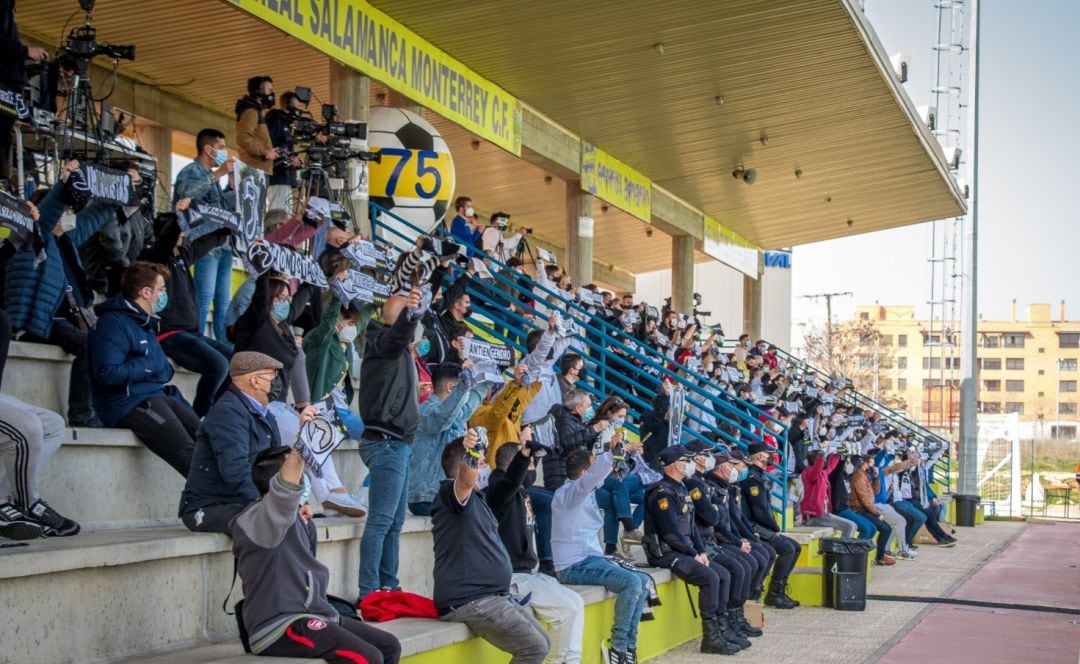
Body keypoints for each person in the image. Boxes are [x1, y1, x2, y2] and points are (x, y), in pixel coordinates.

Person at [232, 446, 402, 663]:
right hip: (280, 625)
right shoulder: (259, 518)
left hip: (313, 614)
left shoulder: (291, 517)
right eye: (300, 472)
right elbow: (284, 493)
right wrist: (303, 443)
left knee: (388, 646)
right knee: (366, 658)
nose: (304, 479)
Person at [6, 163, 114, 426]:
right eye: (64, 210)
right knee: (91, 345)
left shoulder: (62, 240)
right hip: (38, 321)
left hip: (61, 320)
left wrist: (118, 200)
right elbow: (48, 211)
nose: (69, 214)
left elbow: (91, 220)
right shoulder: (34, 235)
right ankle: (81, 413)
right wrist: (65, 186)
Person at [431, 431, 551, 664]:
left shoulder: (479, 498)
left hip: (492, 596)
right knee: (534, 648)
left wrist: (525, 453)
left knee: (543, 642)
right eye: (481, 463)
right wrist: (473, 453)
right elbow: (465, 479)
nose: (483, 468)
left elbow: (510, 482)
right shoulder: (449, 492)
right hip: (470, 599)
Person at [179, 352, 316, 533]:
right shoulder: (227, 413)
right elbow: (235, 471)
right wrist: (277, 506)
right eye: (273, 377)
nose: (278, 382)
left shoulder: (265, 415)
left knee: (305, 526)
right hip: (211, 505)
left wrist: (298, 503)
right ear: (255, 381)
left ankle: (303, 563)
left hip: (245, 501)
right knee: (276, 524)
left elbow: (279, 465)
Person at [88, 261, 200, 476]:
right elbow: (107, 374)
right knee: (191, 456)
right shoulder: (113, 323)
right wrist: (148, 366)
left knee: (209, 442)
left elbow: (166, 372)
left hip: (156, 396)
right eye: (161, 290)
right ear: (146, 292)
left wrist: (153, 367)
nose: (165, 295)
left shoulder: (145, 323)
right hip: (127, 403)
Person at [487, 434, 586, 664]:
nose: (533, 468)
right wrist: (523, 457)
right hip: (511, 577)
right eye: (531, 464)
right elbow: (508, 481)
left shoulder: (523, 493)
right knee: (565, 611)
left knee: (576, 602)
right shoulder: (497, 493)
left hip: (528, 573)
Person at [552, 446, 651, 664]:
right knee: (632, 582)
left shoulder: (584, 493)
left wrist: (618, 458)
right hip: (573, 566)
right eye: (594, 463)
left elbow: (606, 480)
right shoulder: (570, 493)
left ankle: (629, 647)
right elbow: (593, 478)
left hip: (590, 560)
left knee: (644, 581)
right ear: (584, 473)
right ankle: (616, 648)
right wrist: (609, 455)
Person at [643, 445, 745, 656]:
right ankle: (711, 638)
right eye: (686, 460)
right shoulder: (662, 492)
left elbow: (691, 528)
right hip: (665, 552)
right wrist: (693, 554)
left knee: (724, 574)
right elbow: (670, 532)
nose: (691, 464)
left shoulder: (680, 488)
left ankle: (722, 630)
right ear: (675, 464)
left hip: (685, 549)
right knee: (710, 577)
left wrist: (701, 551)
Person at [355, 288, 423, 600]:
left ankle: (388, 584)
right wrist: (409, 314)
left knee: (395, 522)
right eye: (408, 319)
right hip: (385, 443)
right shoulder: (382, 343)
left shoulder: (401, 350)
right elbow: (397, 336)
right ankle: (369, 590)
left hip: (400, 444)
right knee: (381, 520)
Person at [142, 203, 234, 417]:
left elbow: (202, 245)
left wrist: (227, 229)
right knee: (218, 365)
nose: (183, 233)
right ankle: (199, 415)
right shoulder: (155, 258)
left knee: (236, 361)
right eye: (179, 230)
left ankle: (215, 413)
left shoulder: (181, 258)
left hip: (191, 332)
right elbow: (166, 241)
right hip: (170, 334)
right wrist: (179, 217)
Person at [172, 128, 237, 342]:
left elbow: (220, 208)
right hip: (203, 244)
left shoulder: (214, 179)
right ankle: (196, 340)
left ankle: (223, 347)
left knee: (222, 303)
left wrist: (233, 188)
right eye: (220, 148)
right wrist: (216, 175)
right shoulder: (191, 171)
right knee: (203, 296)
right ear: (207, 149)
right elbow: (187, 198)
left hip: (223, 244)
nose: (223, 153)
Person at [407, 361, 490, 516]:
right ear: (451, 388)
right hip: (425, 498)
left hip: (445, 494)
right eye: (461, 388)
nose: (465, 392)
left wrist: (488, 380)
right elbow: (443, 416)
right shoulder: (425, 412)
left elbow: (466, 408)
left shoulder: (452, 415)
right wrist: (464, 387)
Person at [232, 270, 315, 409]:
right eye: (279, 298)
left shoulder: (285, 328)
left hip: (276, 407)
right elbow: (261, 298)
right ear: (269, 296)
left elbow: (305, 293)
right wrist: (263, 268)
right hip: (248, 404)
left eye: (287, 299)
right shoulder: (256, 322)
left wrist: (318, 273)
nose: (284, 303)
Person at [741, 443, 799, 609]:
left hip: (761, 526)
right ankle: (769, 593)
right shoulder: (751, 478)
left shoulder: (758, 475)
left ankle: (777, 591)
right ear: (760, 456)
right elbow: (759, 511)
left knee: (794, 547)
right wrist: (775, 529)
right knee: (787, 548)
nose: (771, 458)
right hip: (753, 527)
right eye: (768, 454)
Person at [545, 389, 605, 492]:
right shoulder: (563, 421)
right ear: (578, 408)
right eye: (588, 406)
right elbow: (565, 444)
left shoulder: (574, 421)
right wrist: (593, 429)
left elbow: (582, 442)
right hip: (560, 476)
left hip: (567, 474)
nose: (591, 409)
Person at [848, 454, 895, 566]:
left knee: (886, 528)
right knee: (885, 528)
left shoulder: (865, 474)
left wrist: (876, 478)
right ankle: (879, 556)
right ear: (864, 463)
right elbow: (864, 499)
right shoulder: (859, 476)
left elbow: (875, 491)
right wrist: (877, 513)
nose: (873, 466)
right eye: (871, 464)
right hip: (860, 509)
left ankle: (880, 556)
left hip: (866, 508)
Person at [800, 449, 857, 538]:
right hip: (815, 516)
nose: (825, 461)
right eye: (823, 459)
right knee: (850, 526)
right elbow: (816, 470)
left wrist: (839, 454)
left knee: (852, 526)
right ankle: (843, 550)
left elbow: (831, 465)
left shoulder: (823, 473)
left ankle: (843, 549)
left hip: (824, 514)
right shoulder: (808, 473)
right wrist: (820, 457)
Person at [265, 90, 303, 212]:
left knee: (285, 214)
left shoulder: (287, 124)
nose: (299, 110)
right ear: (287, 105)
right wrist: (285, 157)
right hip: (277, 176)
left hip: (284, 177)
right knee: (278, 214)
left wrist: (293, 160)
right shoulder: (276, 121)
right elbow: (269, 146)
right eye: (297, 106)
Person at [235, 75, 279, 175]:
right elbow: (243, 138)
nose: (272, 94)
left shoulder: (256, 111)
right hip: (254, 170)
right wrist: (265, 152)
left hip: (258, 169)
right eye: (269, 90)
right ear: (259, 92)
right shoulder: (251, 111)